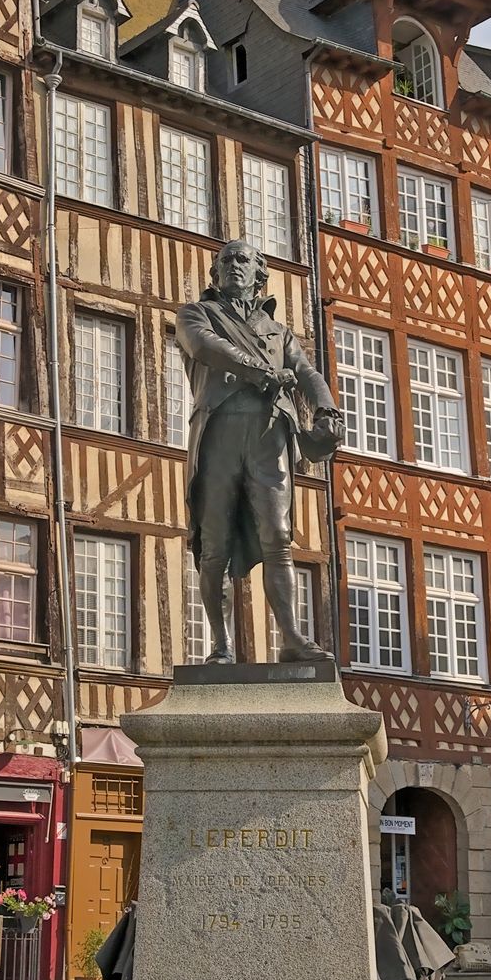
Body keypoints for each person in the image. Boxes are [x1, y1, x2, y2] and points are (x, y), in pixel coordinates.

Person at [176, 239, 345, 664]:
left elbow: (307, 372)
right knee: (212, 544)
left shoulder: (278, 332)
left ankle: (291, 638)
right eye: (226, 260)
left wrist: (326, 409)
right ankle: (220, 645)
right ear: (215, 274)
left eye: (243, 259)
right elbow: (204, 347)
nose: (234, 265)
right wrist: (261, 373)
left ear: (259, 274)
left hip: (269, 438)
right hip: (218, 435)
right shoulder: (198, 314)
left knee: (279, 538)